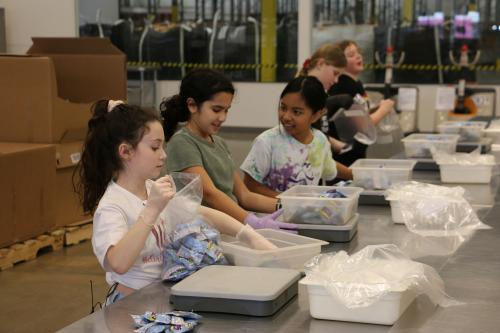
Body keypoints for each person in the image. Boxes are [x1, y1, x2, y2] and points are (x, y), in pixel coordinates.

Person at [75, 100, 275, 305]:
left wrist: (248, 234)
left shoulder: (151, 189)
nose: (163, 155)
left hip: (159, 296)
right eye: (154, 147)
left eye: (162, 146)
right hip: (129, 303)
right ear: (126, 151)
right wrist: (152, 211)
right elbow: (117, 262)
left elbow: (200, 212)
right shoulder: (113, 205)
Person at [161, 69, 296, 231]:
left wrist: (291, 206)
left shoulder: (219, 143)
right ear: (192, 105)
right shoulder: (181, 143)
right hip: (204, 233)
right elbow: (211, 195)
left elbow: (245, 196)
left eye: (226, 110)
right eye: (216, 110)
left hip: (231, 226)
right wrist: (250, 221)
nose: (223, 118)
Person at [240, 76, 337, 198]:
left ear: (317, 115)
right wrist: (290, 201)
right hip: (270, 215)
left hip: (305, 214)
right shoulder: (266, 142)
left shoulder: (320, 141)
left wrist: (357, 174)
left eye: (296, 112)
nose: (286, 116)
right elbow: (250, 187)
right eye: (283, 107)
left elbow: (330, 170)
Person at [327, 39, 395, 166]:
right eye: (351, 55)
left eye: (358, 52)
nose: (358, 56)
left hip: (357, 152)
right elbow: (362, 126)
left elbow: (361, 113)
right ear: (340, 62)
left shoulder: (356, 84)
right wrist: (382, 111)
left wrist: (376, 108)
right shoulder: (343, 86)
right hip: (344, 155)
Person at [298, 43, 353, 179]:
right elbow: (305, 141)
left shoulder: (319, 94)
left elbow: (316, 131)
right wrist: (355, 175)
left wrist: (331, 142)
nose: (335, 81)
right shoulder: (302, 93)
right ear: (321, 64)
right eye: (335, 73)